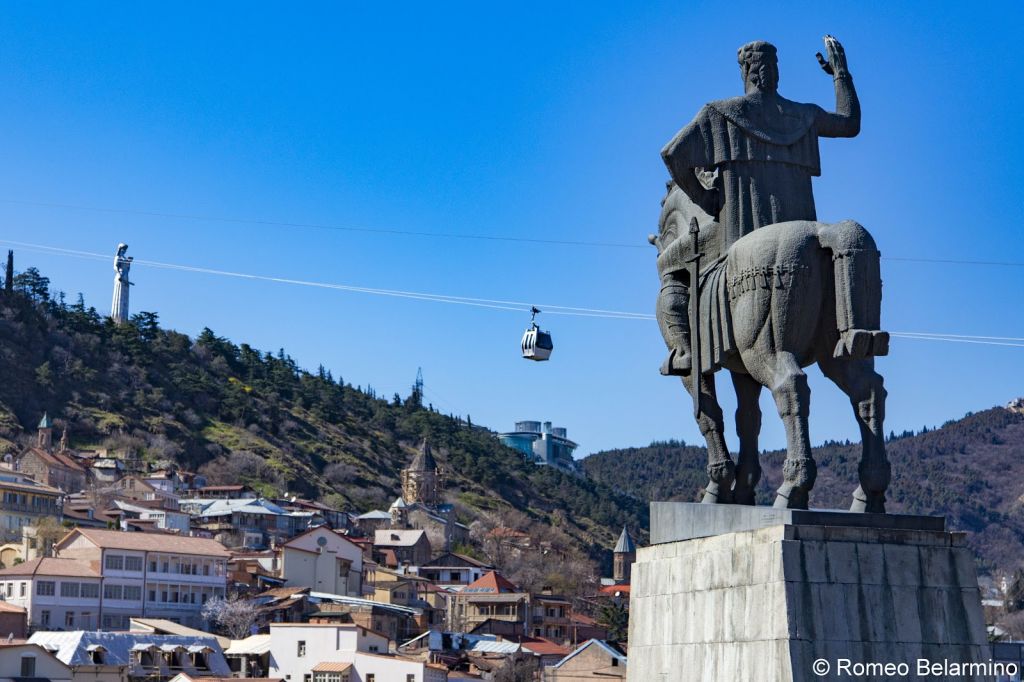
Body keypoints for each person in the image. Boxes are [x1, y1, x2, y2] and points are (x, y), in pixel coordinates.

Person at [657, 36, 860, 375]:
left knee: (667, 265)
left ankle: (684, 350)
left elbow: (672, 155)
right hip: (806, 230)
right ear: (774, 72)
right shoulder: (803, 115)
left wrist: (706, 199)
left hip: (736, 234)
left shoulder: (720, 113)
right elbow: (850, 123)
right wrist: (841, 74)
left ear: (746, 71)